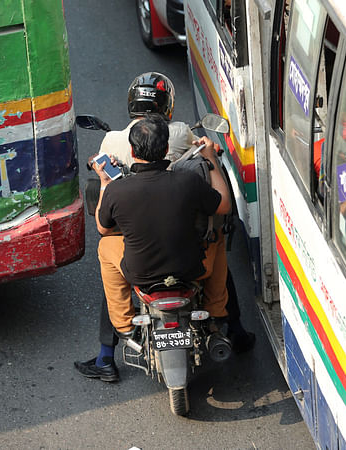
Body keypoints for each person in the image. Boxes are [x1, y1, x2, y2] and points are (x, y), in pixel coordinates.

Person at [74, 73, 254, 382]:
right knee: (217, 240)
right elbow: (223, 206)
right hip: (191, 265)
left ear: (133, 150)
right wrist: (209, 159)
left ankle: (112, 346)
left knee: (108, 251)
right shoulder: (186, 178)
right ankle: (225, 322)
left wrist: (105, 181)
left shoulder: (117, 188)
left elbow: (104, 229)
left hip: (139, 268)